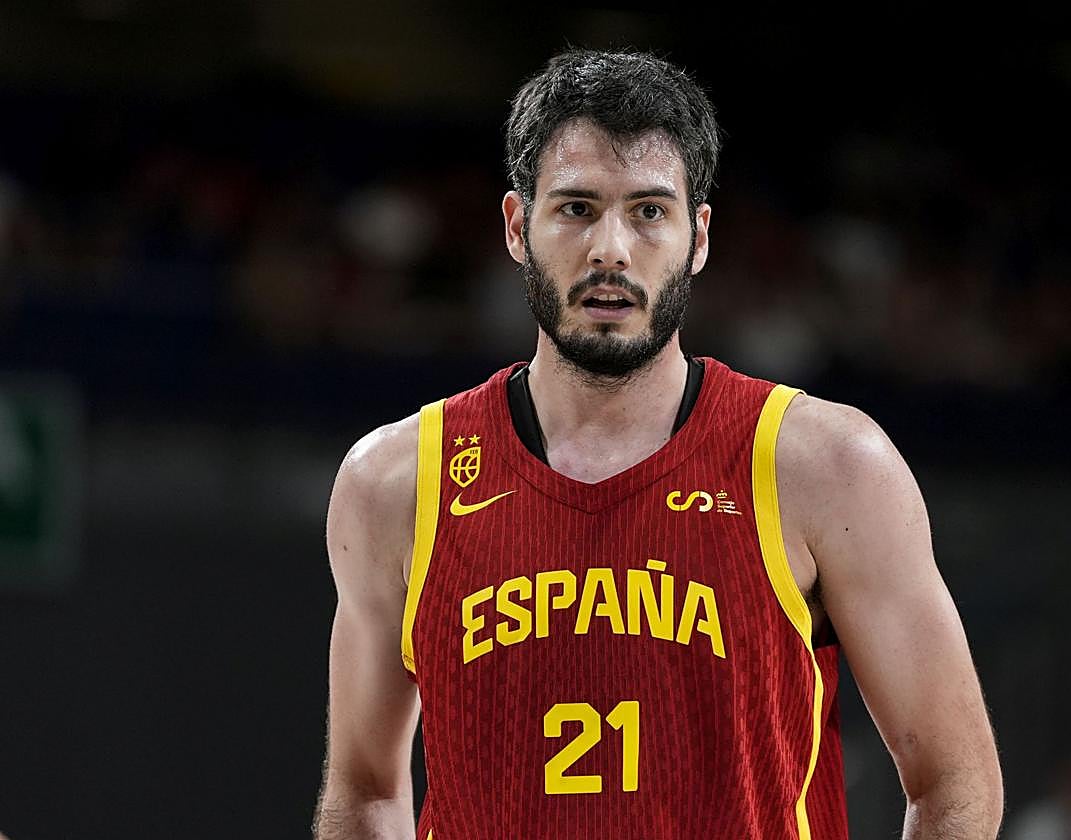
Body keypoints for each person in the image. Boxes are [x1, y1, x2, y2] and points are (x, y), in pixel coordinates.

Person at [313, 49, 1003, 840]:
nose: (611, 248)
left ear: (697, 236)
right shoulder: (396, 481)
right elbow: (364, 792)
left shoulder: (827, 465)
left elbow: (954, 783)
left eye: (648, 211)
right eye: (576, 208)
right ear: (516, 226)